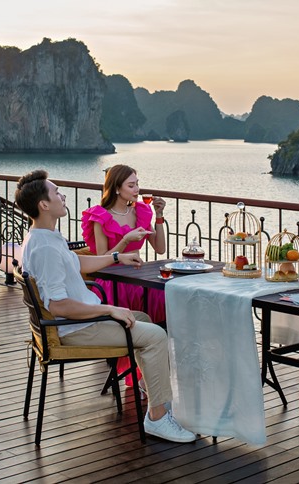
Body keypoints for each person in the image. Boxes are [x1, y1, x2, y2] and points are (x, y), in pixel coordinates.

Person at [14, 169, 194, 443]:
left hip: (78, 322)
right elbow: (59, 305)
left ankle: (155, 395)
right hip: (74, 328)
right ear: (44, 205)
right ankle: (157, 417)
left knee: (143, 317)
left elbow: (78, 263)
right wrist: (109, 310)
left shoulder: (45, 237)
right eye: (56, 192)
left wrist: (117, 256)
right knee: (156, 335)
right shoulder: (46, 248)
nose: (62, 196)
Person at [81, 165, 168, 385]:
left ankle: (155, 372)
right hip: (112, 280)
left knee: (169, 298)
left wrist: (159, 216)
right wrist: (125, 241)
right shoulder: (100, 216)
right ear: (117, 188)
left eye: (137, 183)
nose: (137, 189)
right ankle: (141, 372)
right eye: (131, 185)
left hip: (140, 277)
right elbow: (102, 259)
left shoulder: (141, 211)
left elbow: (160, 248)